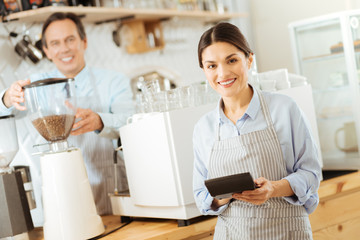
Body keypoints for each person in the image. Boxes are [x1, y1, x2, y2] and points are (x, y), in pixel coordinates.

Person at [0, 12, 133, 224]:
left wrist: (100, 121)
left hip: (111, 193)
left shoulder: (114, 81)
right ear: (46, 50)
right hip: (60, 195)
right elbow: (6, 110)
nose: (64, 48)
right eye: (55, 43)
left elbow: (131, 121)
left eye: (70, 39)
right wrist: (7, 97)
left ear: (84, 41)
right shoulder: (36, 86)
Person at [192, 22, 321, 239]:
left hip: (287, 232)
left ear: (249, 59)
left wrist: (273, 189)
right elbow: (201, 196)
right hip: (231, 234)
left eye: (231, 60)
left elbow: (312, 174)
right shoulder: (203, 128)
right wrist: (225, 195)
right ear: (204, 70)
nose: (222, 73)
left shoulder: (284, 108)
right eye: (211, 66)